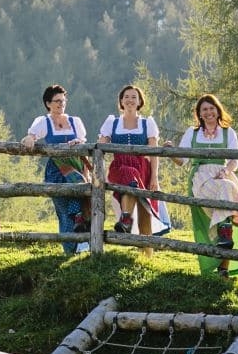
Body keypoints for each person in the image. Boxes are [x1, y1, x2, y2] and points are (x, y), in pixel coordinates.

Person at [168, 94, 238, 278]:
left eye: (212, 108)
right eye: (204, 109)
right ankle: (224, 239)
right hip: (201, 178)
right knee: (224, 209)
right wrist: (170, 150)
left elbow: (235, 160)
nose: (209, 112)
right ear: (199, 114)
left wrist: (226, 171)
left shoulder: (229, 132)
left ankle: (223, 268)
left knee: (225, 208)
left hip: (223, 176)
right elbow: (182, 160)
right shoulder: (192, 133)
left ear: (218, 110)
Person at [98, 84, 170, 258]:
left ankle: (147, 255)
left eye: (134, 97)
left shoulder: (147, 123)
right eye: (126, 97)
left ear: (139, 102)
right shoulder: (112, 122)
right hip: (119, 167)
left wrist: (154, 177)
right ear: (121, 101)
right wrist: (102, 140)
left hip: (142, 168)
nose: (130, 100)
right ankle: (126, 219)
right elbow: (102, 144)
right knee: (129, 176)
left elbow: (154, 153)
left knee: (145, 212)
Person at [21, 84, 91, 255]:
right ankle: (71, 249)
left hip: (77, 168)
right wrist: (30, 139)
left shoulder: (75, 121)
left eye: (63, 101)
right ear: (48, 103)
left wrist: (78, 144)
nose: (61, 104)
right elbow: (31, 136)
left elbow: (83, 143)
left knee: (81, 207)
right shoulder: (43, 121)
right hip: (57, 170)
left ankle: (83, 245)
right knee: (64, 211)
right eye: (57, 101)